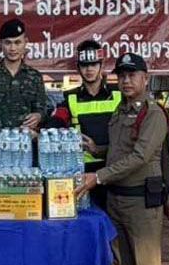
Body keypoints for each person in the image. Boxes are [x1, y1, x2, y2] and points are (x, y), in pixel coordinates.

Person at [75, 53, 169, 265]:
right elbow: (121, 150)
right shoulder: (121, 109)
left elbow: (141, 156)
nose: (127, 80)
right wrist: (98, 148)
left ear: (146, 78)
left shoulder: (154, 114)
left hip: (141, 201)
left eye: (133, 75)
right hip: (117, 199)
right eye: (122, 75)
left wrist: (98, 176)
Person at [51, 39, 122, 211]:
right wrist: (43, 132)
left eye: (93, 64)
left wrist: (99, 149)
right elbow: (55, 124)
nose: (89, 69)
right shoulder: (69, 97)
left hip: (114, 170)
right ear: (78, 68)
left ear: (101, 65)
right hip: (82, 172)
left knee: (116, 229)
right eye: (84, 65)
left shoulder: (119, 94)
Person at [0, 18, 49, 136]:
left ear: (25, 42)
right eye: (8, 43)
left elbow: (43, 108)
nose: (13, 48)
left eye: (17, 42)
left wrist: (38, 116)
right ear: (1, 44)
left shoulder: (34, 77)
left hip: (26, 141)